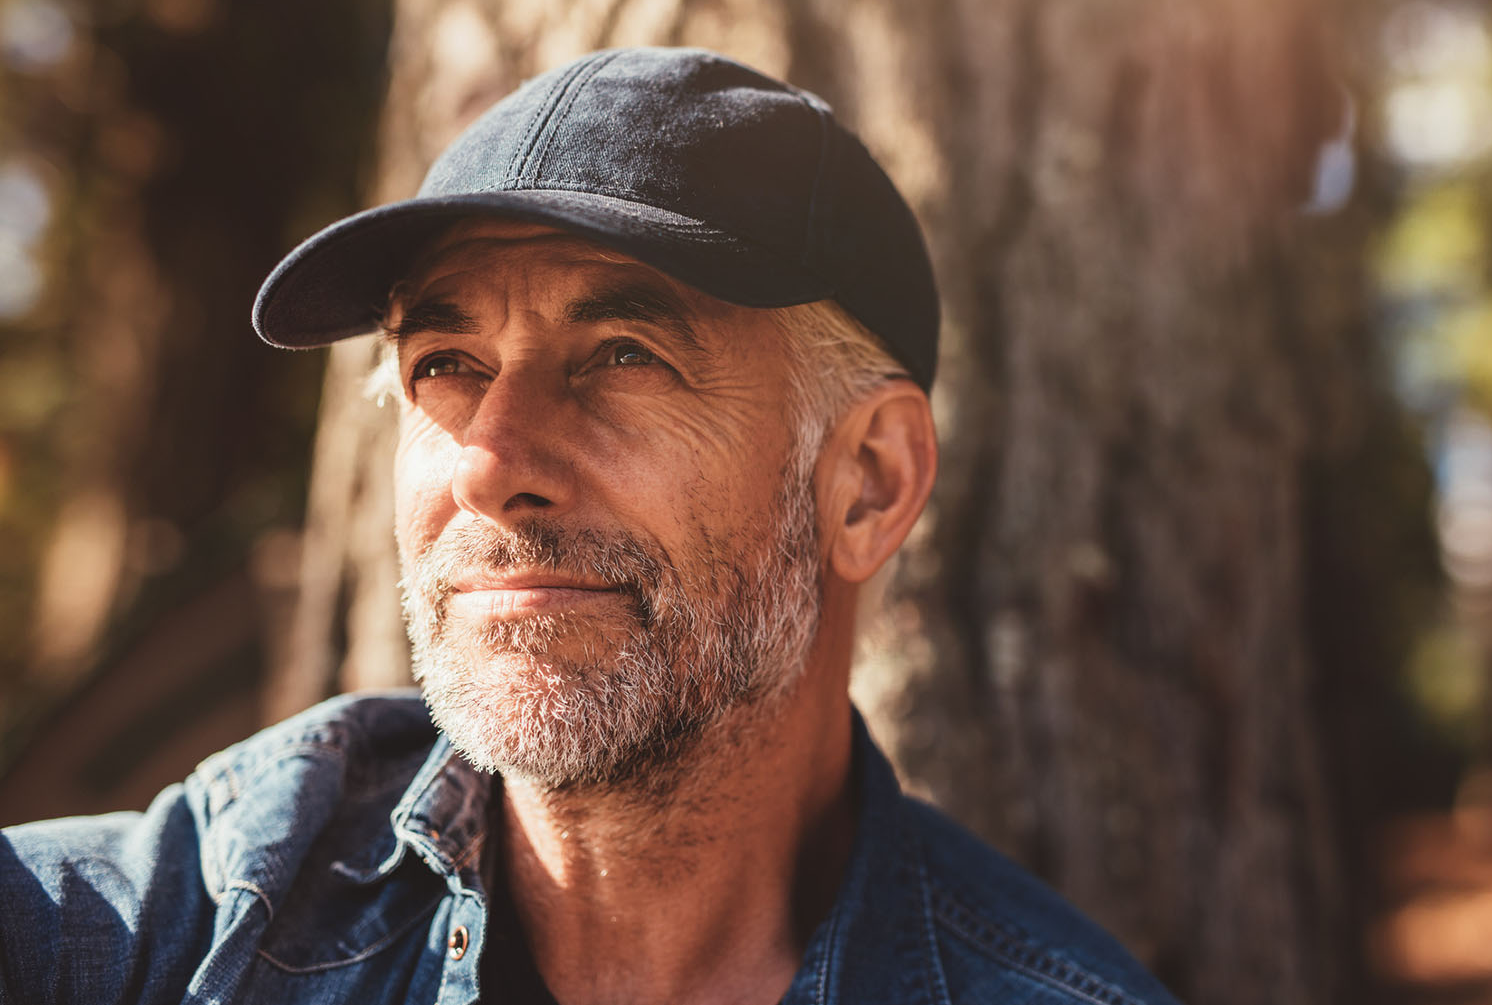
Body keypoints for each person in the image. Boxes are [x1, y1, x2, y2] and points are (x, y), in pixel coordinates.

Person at [0, 48, 1179, 1005]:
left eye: (624, 357)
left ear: (867, 481)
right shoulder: (207, 915)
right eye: (447, 365)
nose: (492, 464)